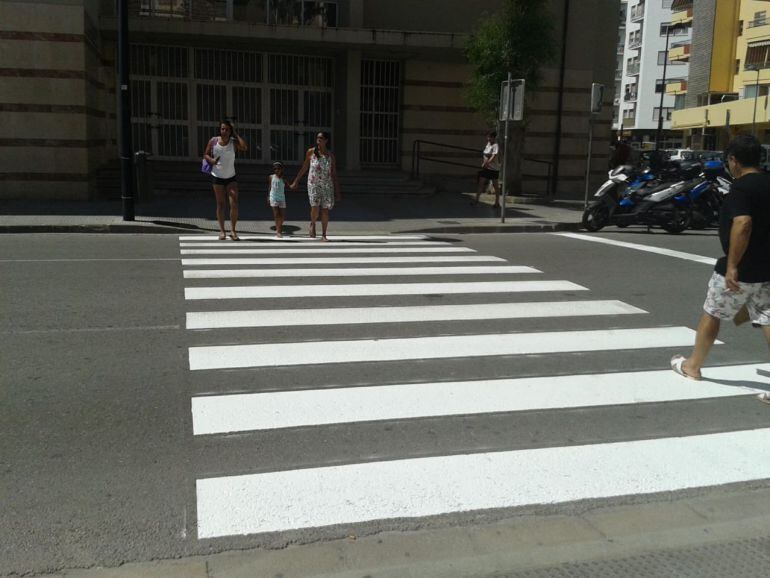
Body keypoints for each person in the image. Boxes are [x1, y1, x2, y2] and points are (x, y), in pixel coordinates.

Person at [670, 134, 770, 404]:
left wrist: (733, 266)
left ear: (734, 160)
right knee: (768, 319)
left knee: (712, 313)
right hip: (768, 268)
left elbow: (743, 223)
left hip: (743, 267)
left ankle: (692, 366)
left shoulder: (741, 188)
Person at [290, 132, 341, 241]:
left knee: (325, 210)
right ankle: (313, 223)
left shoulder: (330, 156)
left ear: (326, 140)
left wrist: (337, 191)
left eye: (321, 138)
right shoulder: (311, 152)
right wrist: (296, 181)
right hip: (313, 184)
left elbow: (334, 174)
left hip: (327, 185)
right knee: (315, 208)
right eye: (317, 137)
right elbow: (304, 168)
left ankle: (323, 235)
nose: (318, 139)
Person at [203, 120, 247, 241]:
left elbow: (244, 147)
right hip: (217, 177)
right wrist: (211, 161)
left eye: (227, 129)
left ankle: (233, 230)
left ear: (230, 131)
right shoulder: (213, 141)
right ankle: (222, 231)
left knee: (234, 203)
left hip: (231, 177)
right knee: (221, 204)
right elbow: (205, 154)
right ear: (220, 130)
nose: (224, 131)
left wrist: (236, 133)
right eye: (222, 129)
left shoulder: (233, 142)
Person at [471, 132, 501, 208]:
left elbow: (494, 156)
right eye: (488, 137)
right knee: (481, 183)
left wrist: (487, 163)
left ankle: (497, 202)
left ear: (494, 138)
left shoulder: (495, 145)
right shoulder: (488, 144)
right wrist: (484, 163)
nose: (488, 139)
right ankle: (476, 200)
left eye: (490, 137)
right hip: (486, 168)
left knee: (495, 185)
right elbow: (486, 154)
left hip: (493, 169)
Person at [268, 161, 288, 238]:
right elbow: (269, 187)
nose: (277, 170)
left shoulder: (284, 178)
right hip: (273, 197)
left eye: (279, 169)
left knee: (282, 216)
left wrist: (295, 184)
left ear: (282, 169)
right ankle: (278, 231)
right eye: (275, 169)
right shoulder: (271, 177)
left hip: (282, 198)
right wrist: (268, 196)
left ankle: (279, 227)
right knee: (277, 215)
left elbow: (290, 186)